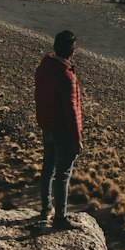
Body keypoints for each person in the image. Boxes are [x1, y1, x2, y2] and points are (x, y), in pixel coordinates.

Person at [34, 29, 82, 230]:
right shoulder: (65, 76)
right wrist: (76, 138)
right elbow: (71, 110)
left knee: (48, 168)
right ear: (72, 51)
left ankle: (46, 208)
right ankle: (60, 218)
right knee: (63, 174)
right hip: (62, 130)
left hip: (47, 125)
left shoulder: (44, 67)